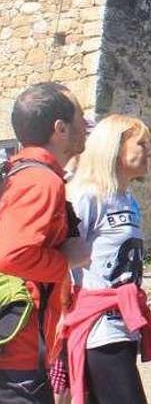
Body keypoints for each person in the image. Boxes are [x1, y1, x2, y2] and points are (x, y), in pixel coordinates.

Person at [0, 82, 90, 404]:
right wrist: (67, 260)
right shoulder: (41, 181)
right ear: (60, 129)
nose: (86, 126)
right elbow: (12, 256)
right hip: (18, 350)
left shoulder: (21, 173)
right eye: (80, 117)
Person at [63, 115, 151, 404]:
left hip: (124, 324)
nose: (148, 150)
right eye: (141, 143)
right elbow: (63, 257)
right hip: (98, 326)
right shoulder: (86, 197)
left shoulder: (129, 200)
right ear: (115, 147)